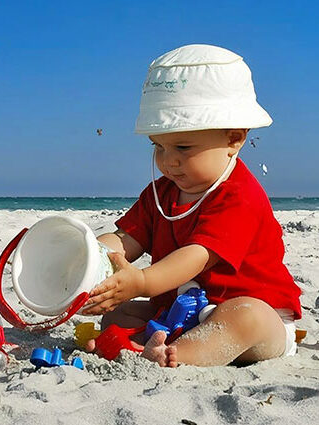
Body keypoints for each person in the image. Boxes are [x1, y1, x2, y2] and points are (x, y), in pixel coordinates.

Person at [82, 44, 302, 367]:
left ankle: (177, 354)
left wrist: (141, 282)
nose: (168, 161)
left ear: (234, 139)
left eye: (183, 147)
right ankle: (151, 341)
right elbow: (125, 240)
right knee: (117, 310)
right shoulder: (160, 194)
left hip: (252, 314)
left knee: (244, 316)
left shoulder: (239, 196)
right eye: (158, 146)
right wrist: (88, 258)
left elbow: (195, 257)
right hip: (180, 311)